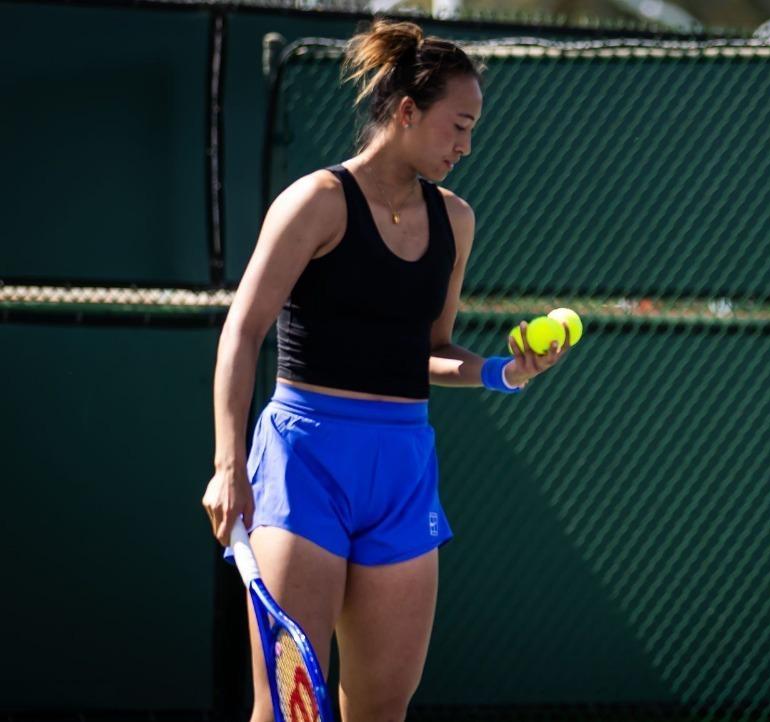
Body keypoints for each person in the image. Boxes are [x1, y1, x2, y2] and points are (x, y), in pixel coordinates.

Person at [201, 19, 571, 721]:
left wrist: (504, 372)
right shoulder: (315, 202)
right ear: (406, 112)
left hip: (401, 472)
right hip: (302, 463)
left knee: (381, 709)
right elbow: (242, 332)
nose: (466, 146)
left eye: (473, 130)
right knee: (285, 709)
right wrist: (228, 466)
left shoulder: (456, 221)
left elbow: (429, 349)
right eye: (457, 126)